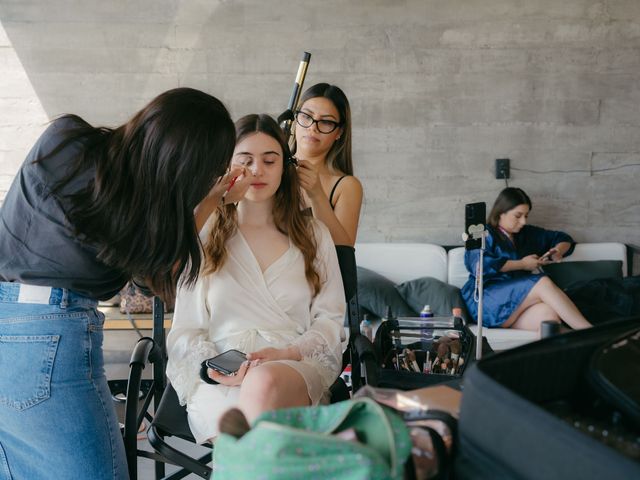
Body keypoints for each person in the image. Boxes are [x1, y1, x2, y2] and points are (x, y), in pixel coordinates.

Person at [0, 87, 252, 479]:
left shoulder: (64, 138)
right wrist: (214, 199)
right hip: (48, 337)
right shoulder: (140, 222)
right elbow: (164, 278)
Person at [165, 114, 346, 444]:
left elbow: (330, 319)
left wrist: (289, 352)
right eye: (245, 161)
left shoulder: (314, 235)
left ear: (284, 167)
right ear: (227, 168)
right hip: (222, 378)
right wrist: (215, 370)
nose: (257, 171)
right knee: (255, 427)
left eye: (269, 160)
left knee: (263, 385)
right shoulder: (204, 235)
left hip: (292, 367)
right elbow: (186, 328)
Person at [461, 187, 592, 333]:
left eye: (526, 216)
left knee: (548, 316)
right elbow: (479, 265)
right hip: (487, 303)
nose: (523, 221)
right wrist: (522, 264)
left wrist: (558, 250)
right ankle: (591, 333)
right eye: (518, 216)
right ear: (501, 213)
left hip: (514, 308)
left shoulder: (526, 233)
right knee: (542, 282)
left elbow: (563, 238)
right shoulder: (482, 233)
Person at [293, 83, 363, 246]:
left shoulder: (346, 186)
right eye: (306, 116)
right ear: (296, 119)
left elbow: (343, 251)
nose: (313, 127)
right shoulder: (272, 170)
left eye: (326, 122)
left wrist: (317, 194)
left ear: (339, 132)